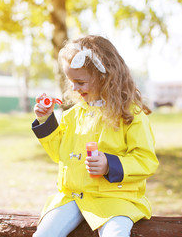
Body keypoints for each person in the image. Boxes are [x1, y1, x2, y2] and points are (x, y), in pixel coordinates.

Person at [31, 35, 159, 237]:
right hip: (73, 197)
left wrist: (110, 164)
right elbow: (60, 154)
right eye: (71, 81)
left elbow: (146, 160)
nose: (74, 88)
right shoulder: (73, 114)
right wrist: (46, 121)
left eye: (80, 82)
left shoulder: (131, 115)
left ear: (105, 77)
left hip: (115, 198)